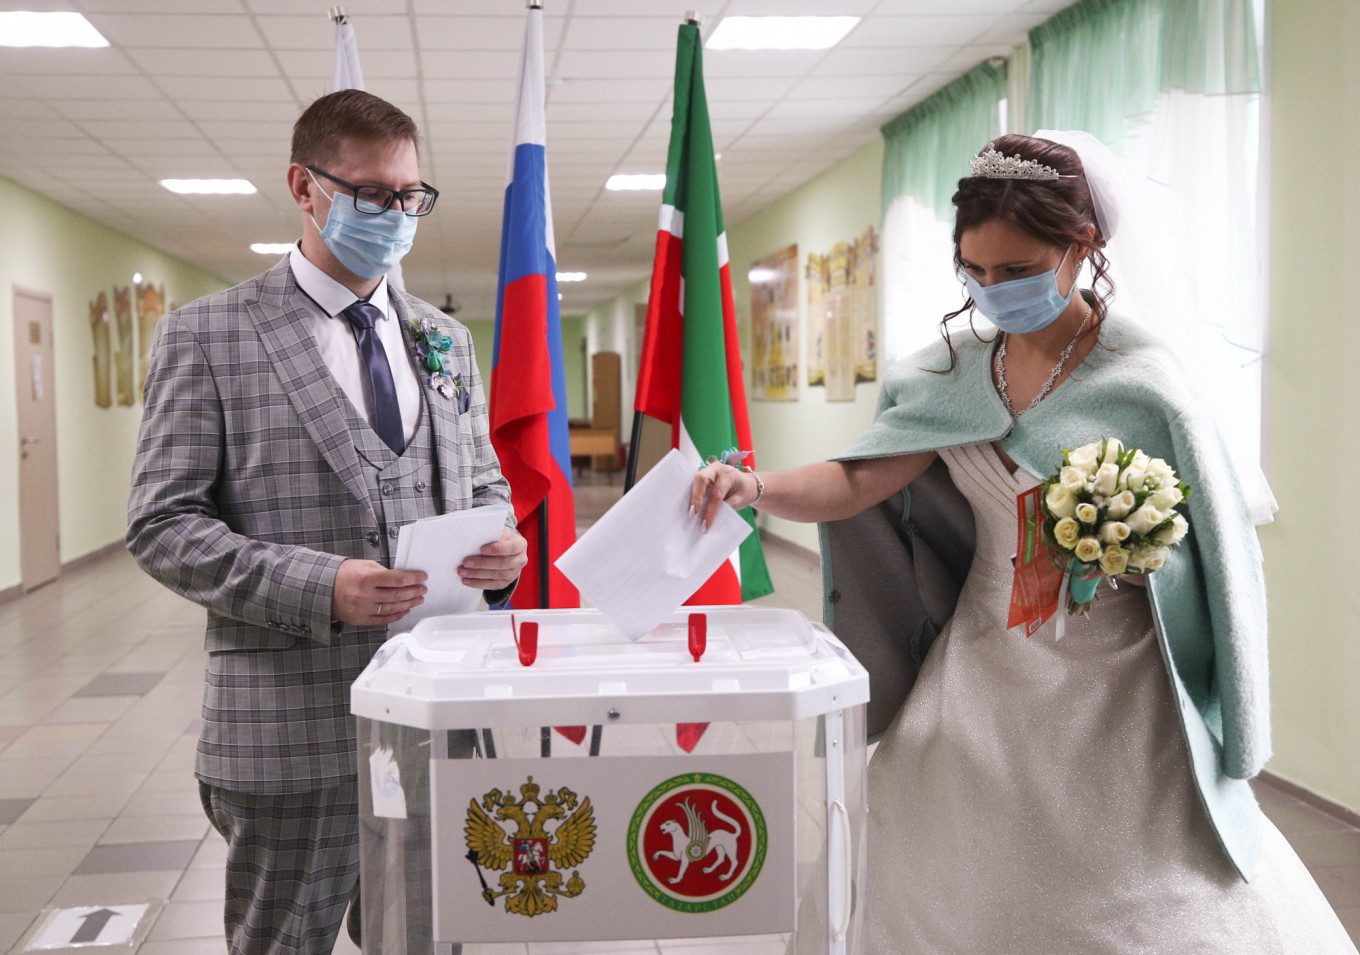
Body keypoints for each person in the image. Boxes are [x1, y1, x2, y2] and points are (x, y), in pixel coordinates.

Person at [693, 134, 1357, 953]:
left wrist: (1235, 707)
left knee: (1126, 873)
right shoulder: (948, 371)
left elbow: (1222, 556)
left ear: (1082, 247)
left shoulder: (1146, 383)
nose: (991, 290)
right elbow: (860, 479)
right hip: (982, 656)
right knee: (937, 834)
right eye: (974, 271)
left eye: (1015, 272)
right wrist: (755, 489)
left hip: (1118, 676)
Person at [127, 89, 527, 955]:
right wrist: (321, 585)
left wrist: (503, 541)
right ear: (304, 188)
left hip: (437, 718)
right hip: (287, 725)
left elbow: (486, 479)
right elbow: (162, 524)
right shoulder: (209, 336)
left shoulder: (444, 341)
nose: (395, 214)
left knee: (430, 939)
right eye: (372, 194)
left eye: (410, 196)